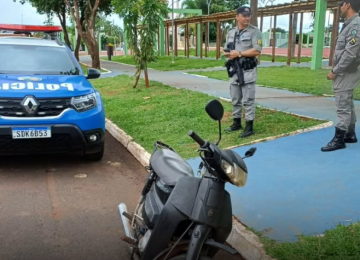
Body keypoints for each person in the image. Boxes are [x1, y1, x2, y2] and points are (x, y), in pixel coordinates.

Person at [321, 0, 360, 152]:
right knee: (347, 102)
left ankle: (339, 139)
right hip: (346, 70)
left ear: (348, 4)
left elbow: (350, 53)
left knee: (342, 104)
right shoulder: (350, 23)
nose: (340, 7)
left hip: (346, 71)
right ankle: (350, 134)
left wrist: (335, 71)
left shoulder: (355, 24)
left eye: (341, 4)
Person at [223, 6, 263, 138]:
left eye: (248, 15)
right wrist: (227, 54)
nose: (246, 18)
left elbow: (257, 50)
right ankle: (236, 123)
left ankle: (249, 126)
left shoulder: (254, 31)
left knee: (248, 100)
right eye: (244, 15)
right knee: (235, 99)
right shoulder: (231, 32)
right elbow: (225, 50)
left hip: (247, 70)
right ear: (237, 16)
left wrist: (239, 53)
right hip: (234, 70)